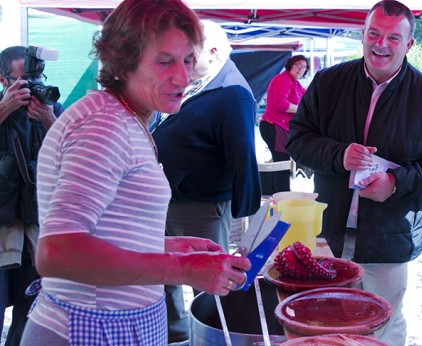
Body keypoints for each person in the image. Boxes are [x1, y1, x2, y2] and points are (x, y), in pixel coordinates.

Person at [20, 1, 251, 345]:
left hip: (115, 326)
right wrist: (183, 269)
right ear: (123, 62)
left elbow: (104, 232)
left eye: (188, 60)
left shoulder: (124, 116)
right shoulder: (103, 124)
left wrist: (166, 248)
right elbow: (58, 252)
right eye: (164, 61)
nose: (183, 77)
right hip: (87, 330)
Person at [286, 1, 422, 344]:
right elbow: (297, 139)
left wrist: (395, 184)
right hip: (330, 231)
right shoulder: (328, 83)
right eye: (374, 33)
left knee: (383, 323)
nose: (381, 44)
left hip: (390, 235)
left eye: (394, 38)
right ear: (362, 35)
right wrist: (339, 155)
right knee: (330, 322)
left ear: (410, 44)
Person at [151, 20, 261, 344]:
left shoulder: (234, 93)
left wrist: (246, 220)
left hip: (201, 206)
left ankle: (219, 337)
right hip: (171, 198)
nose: (180, 63)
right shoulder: (198, 79)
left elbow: (244, 157)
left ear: (212, 53)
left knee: (212, 278)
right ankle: (178, 336)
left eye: (188, 56)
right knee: (165, 272)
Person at [0, 46, 63, 346]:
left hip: (36, 224)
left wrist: (49, 119)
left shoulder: (51, 108)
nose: (34, 87)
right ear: (3, 81)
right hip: (2, 227)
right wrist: (5, 109)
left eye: (37, 78)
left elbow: (73, 153)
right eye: (24, 81)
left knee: (30, 314)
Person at [259, 54, 309, 194]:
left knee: (281, 162)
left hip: (282, 127)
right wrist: (301, 109)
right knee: (282, 163)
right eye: (298, 64)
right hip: (273, 125)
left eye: (304, 66)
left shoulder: (296, 84)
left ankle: (279, 194)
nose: (301, 68)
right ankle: (282, 195)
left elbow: (308, 101)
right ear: (290, 65)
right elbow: (281, 104)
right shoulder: (283, 79)